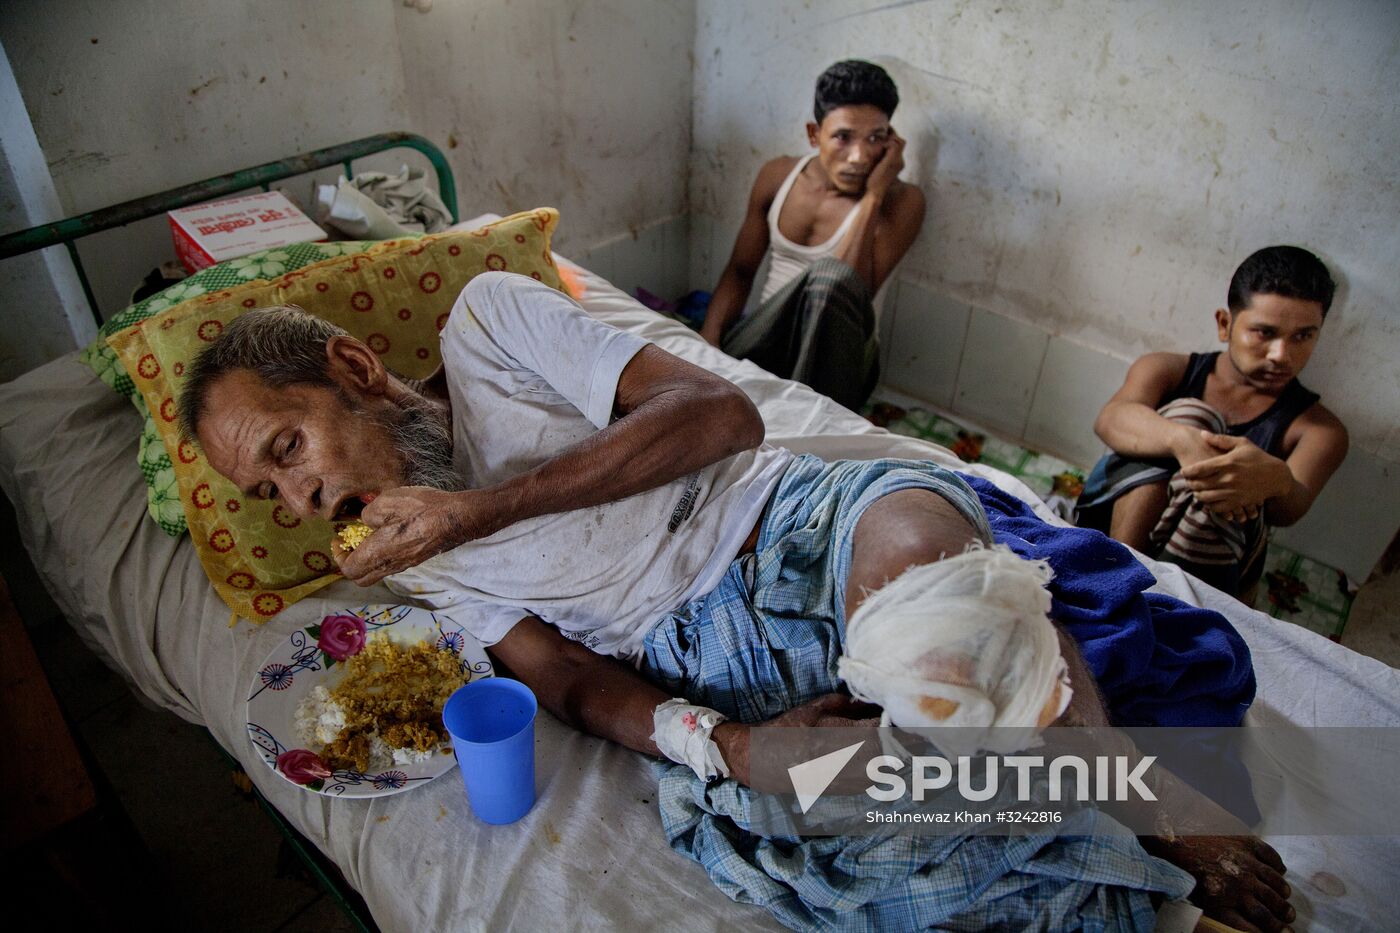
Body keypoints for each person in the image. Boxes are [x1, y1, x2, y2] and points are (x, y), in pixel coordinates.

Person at [181, 272, 1294, 932]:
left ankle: (1139, 792)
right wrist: (721, 747)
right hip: (711, 655)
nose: (305, 492)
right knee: (918, 854)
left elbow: (719, 416)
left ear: (354, 370)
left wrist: (480, 509)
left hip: (791, 516)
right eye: (270, 491)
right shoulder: (419, 567)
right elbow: (564, 677)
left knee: (940, 613)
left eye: (289, 446)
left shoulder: (488, 329)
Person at [1076, 246, 1348, 600]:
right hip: (1118, 533)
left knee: (1234, 479)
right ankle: (1116, 583)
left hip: (1211, 571)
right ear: (1225, 324)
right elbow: (1111, 419)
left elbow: (1288, 511)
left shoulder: (1318, 429)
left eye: (1302, 336)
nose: (1282, 355)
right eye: (1264, 333)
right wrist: (1182, 441)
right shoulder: (1167, 370)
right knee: (1191, 417)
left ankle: (1157, 605)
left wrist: (1275, 480)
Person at [698, 59, 925, 411]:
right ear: (813, 134)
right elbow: (740, 271)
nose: (859, 157)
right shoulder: (778, 176)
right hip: (767, 343)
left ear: (891, 144)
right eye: (843, 137)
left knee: (830, 280)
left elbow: (853, 293)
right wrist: (707, 346)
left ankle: (803, 418)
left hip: (841, 370)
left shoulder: (902, 201)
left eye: (875, 139)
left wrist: (874, 196)